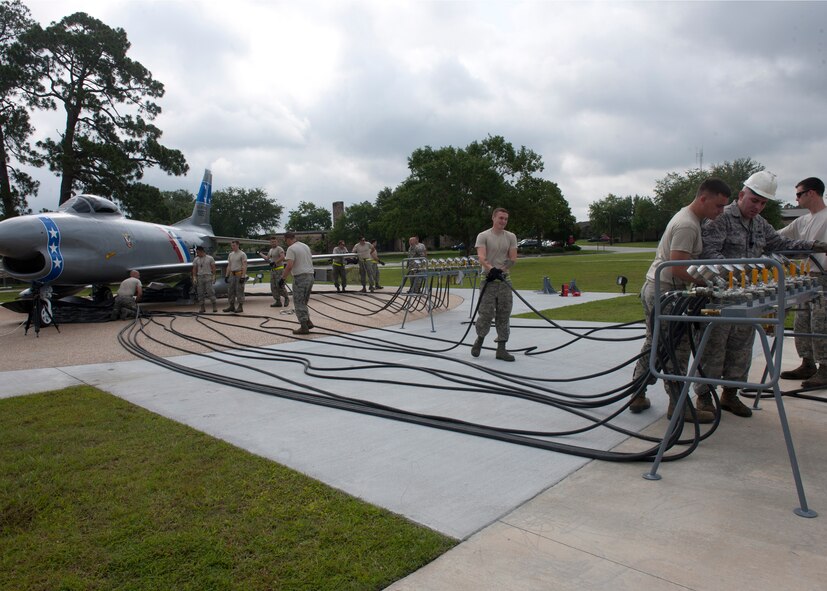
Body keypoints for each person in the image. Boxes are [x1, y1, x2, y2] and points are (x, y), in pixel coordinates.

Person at [694, 171, 827, 417]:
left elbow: (779, 243)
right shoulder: (721, 218)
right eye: (754, 200)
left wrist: (816, 246)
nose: (758, 207)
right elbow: (708, 253)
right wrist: (737, 275)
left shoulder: (759, 223)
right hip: (720, 298)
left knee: (741, 348)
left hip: (747, 297)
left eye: (763, 203)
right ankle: (704, 397)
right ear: (742, 195)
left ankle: (730, 395)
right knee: (714, 348)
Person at [630, 178, 732, 423]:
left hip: (660, 289)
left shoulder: (691, 220)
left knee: (655, 344)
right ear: (703, 198)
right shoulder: (688, 225)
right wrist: (707, 284)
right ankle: (678, 406)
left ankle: (637, 393)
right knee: (677, 348)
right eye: (718, 206)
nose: (720, 212)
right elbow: (677, 266)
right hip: (666, 291)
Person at [778, 177, 827, 387]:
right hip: (806, 278)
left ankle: (825, 368)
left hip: (823, 277)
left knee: (820, 323)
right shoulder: (802, 221)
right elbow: (777, 237)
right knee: (802, 321)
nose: (796, 198)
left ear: (812, 193)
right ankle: (807, 363)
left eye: (799, 194)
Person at [471, 207, 518, 361]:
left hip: (504, 281)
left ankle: (501, 349)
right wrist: (492, 270)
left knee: (504, 314)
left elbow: (512, 258)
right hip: (488, 280)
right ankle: (479, 340)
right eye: (500, 218)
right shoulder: (483, 236)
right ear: (493, 218)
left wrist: (502, 270)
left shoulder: (511, 236)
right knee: (486, 314)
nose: (503, 221)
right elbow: (482, 257)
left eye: (505, 219)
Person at [282, 232, 315, 334]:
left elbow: (289, 265)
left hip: (300, 278)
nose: (286, 242)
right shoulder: (305, 246)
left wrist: (282, 278)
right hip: (310, 276)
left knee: (298, 302)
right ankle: (308, 321)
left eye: (285, 240)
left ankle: (304, 326)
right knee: (304, 301)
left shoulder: (291, 249)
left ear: (288, 239)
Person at [261, 236, 289, 307]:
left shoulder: (279, 249)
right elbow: (267, 258)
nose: (273, 243)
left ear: (277, 242)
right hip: (273, 271)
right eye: (272, 242)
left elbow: (283, 257)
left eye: (274, 241)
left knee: (280, 285)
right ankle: (277, 301)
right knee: (273, 286)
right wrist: (260, 254)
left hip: (279, 269)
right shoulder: (271, 250)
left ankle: (286, 298)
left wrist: (275, 262)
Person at [223, 240, 247, 313]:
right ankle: (231, 306)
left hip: (239, 274)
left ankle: (240, 306)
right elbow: (229, 265)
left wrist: (243, 276)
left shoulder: (242, 254)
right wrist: (226, 276)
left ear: (238, 245)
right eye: (232, 245)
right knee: (230, 291)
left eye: (234, 245)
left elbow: (244, 265)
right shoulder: (230, 254)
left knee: (239, 290)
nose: (232, 247)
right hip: (232, 275)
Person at [191, 246, 217, 313]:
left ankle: (214, 305)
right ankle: (202, 307)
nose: (197, 254)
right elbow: (194, 269)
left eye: (198, 252)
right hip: (200, 277)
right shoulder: (196, 259)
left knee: (210, 291)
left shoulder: (210, 258)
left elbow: (213, 267)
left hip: (208, 276)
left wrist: (214, 276)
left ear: (202, 251)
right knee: (200, 293)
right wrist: (194, 277)